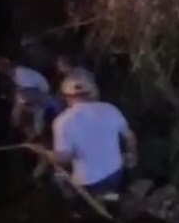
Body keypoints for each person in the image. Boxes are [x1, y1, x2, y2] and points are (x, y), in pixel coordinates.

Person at [35, 74, 136, 203]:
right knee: (110, 195)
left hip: (88, 184)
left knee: (57, 177)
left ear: (67, 97)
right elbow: (130, 136)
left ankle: (78, 206)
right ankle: (112, 199)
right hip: (115, 173)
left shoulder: (62, 121)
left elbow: (64, 158)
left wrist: (47, 154)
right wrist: (133, 154)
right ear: (90, 93)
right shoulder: (110, 108)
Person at [0, 56, 58, 140]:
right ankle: (32, 132)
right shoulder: (14, 75)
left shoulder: (20, 73)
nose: (1, 71)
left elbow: (30, 89)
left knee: (24, 110)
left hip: (40, 93)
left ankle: (35, 133)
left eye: (1, 68)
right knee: (21, 109)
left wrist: (22, 100)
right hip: (35, 95)